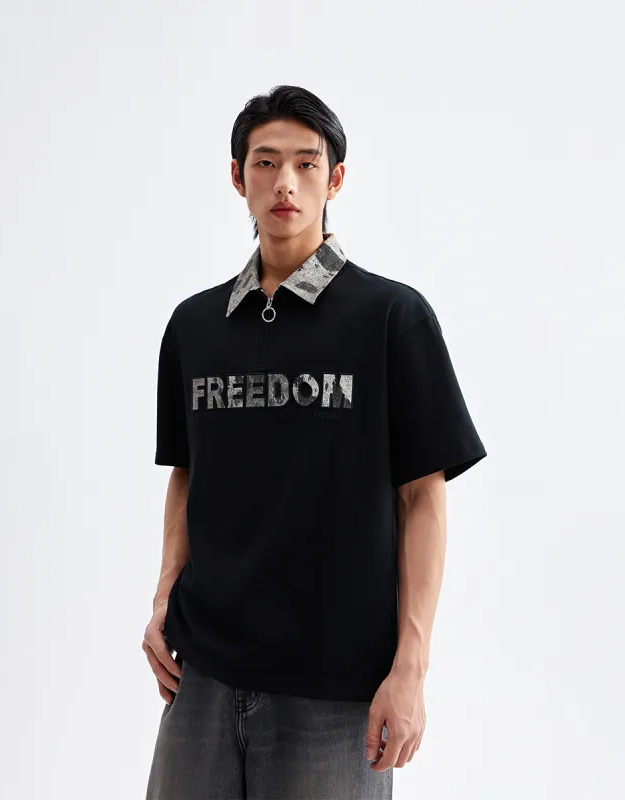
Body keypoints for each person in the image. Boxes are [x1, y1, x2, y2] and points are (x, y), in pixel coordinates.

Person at [142, 84, 487, 800]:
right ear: (237, 177)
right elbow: (186, 472)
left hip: (337, 692)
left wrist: (411, 667)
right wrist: (163, 596)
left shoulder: (392, 318)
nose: (285, 183)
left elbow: (423, 498)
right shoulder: (194, 326)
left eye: (306, 163)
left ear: (335, 179)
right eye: (266, 163)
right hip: (202, 678)